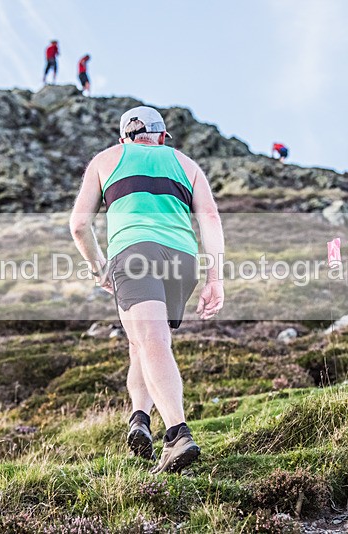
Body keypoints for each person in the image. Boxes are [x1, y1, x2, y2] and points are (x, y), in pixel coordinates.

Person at [70, 106, 225, 473]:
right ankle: (139, 417)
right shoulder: (186, 164)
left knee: (151, 340)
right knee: (142, 341)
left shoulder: (105, 160)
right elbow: (211, 219)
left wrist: (99, 268)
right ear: (160, 136)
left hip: (134, 254)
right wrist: (214, 277)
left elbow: (79, 225)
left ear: (125, 137)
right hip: (182, 259)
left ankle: (177, 435)